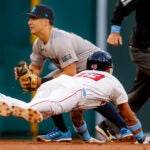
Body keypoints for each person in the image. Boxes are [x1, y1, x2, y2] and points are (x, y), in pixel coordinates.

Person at [14, 4, 132, 142]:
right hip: (76, 69)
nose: (29, 22)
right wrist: (27, 75)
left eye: (33, 18)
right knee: (50, 89)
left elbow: (69, 72)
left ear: (45, 21)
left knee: (88, 95)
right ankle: (63, 131)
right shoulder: (38, 44)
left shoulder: (60, 41)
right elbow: (35, 68)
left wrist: (40, 81)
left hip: (98, 65)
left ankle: (124, 128)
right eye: (30, 19)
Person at [1, 50, 150, 144]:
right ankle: (24, 108)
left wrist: (87, 139)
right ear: (107, 67)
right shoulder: (112, 81)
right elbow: (128, 116)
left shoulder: (83, 74)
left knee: (37, 113)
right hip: (75, 90)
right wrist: (141, 138)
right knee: (44, 108)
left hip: (58, 83)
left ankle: (3, 99)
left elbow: (77, 116)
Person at [96, 0, 150, 140]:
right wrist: (115, 31)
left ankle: (109, 125)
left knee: (141, 93)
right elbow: (121, 7)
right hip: (142, 50)